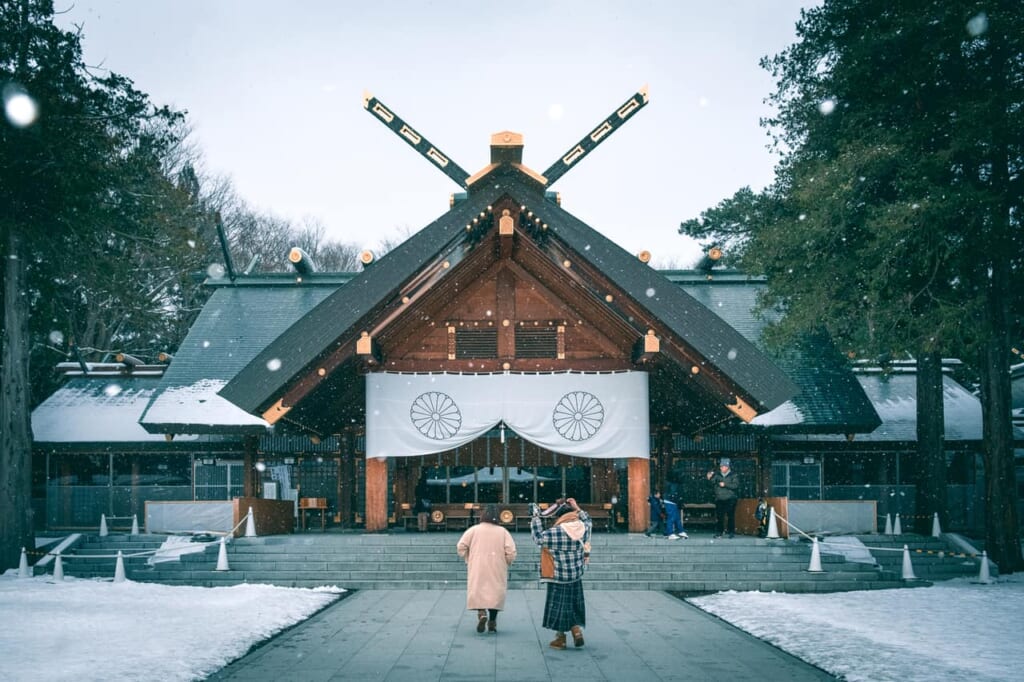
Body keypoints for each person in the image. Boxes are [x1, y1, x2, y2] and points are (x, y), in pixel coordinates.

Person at [530, 497, 592, 649]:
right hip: (576, 575)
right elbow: (588, 520)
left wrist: (536, 518)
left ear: (560, 517)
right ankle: (576, 630)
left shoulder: (555, 532)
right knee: (573, 604)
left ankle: (561, 638)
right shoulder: (584, 528)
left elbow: (538, 539)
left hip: (558, 575)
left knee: (559, 607)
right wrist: (577, 507)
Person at [456, 503, 517, 634]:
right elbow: (511, 551)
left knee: (479, 589)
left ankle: (482, 613)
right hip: (497, 566)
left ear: (482, 515)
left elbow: (461, 547)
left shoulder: (473, 530)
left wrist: (469, 558)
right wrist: (506, 562)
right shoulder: (503, 532)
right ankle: (492, 622)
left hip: (478, 565)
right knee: (495, 592)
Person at [706, 458, 739, 538]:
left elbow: (736, 486)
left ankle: (731, 532)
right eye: (721, 466)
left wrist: (725, 485)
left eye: (723, 466)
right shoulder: (717, 475)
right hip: (719, 499)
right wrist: (709, 478)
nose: (721, 468)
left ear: (727, 467)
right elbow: (710, 484)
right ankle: (719, 532)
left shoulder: (733, 475)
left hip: (730, 498)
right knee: (720, 517)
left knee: (730, 516)